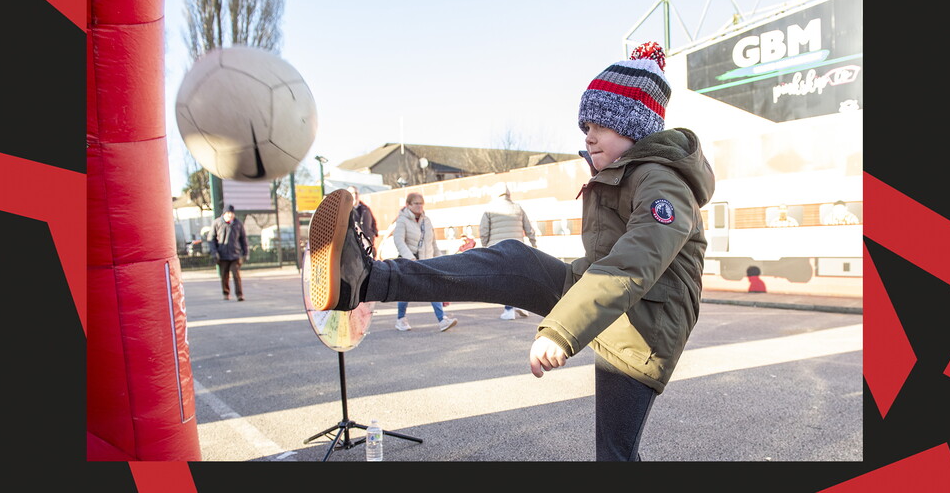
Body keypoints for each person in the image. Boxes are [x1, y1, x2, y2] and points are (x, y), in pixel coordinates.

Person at [306, 41, 714, 461]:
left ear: (635, 128)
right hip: (609, 303)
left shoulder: (663, 184)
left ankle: (369, 280)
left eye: (600, 125)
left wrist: (561, 329)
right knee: (514, 260)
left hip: (642, 328)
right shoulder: (621, 173)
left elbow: (634, 263)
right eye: (584, 125)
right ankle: (365, 280)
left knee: (614, 455)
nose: (588, 134)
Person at [390, 192, 458, 332]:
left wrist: (440, 259)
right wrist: (410, 258)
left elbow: (432, 243)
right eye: (416, 203)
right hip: (410, 262)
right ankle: (401, 319)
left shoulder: (426, 221)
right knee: (405, 291)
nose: (420, 206)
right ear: (408, 205)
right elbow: (398, 240)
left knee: (434, 289)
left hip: (427, 261)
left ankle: (442, 320)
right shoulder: (402, 220)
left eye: (421, 203)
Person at [479, 182, 536, 320]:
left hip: (498, 249)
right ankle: (522, 305)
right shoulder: (517, 208)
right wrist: (533, 244)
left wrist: (486, 246)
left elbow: (483, 231)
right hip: (517, 248)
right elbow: (529, 228)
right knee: (518, 278)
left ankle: (509, 310)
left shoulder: (490, 209)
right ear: (509, 193)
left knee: (504, 280)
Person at [207, 204, 250, 301]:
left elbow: (243, 239)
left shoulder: (238, 224)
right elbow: (211, 239)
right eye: (228, 213)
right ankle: (226, 293)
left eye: (232, 213)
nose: (230, 215)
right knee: (224, 275)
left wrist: (246, 253)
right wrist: (214, 252)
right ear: (224, 214)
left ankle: (239, 294)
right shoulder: (217, 223)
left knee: (236, 274)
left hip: (235, 254)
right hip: (222, 255)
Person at [348, 185, 379, 257]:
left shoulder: (366, 208)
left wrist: (373, 233)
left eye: (356, 193)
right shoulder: (347, 211)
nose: (355, 195)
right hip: (355, 248)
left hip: (368, 245)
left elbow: (373, 222)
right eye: (352, 193)